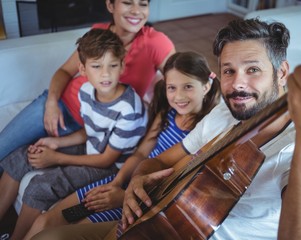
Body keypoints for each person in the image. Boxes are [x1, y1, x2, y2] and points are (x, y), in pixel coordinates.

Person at [32, 18, 301, 240]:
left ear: (282, 72)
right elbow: (160, 161)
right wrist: (138, 180)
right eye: (229, 70)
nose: (238, 83)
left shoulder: (297, 145)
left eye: (253, 70)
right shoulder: (223, 115)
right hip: (149, 223)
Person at [24, 51, 221, 239]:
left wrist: (124, 196)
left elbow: (175, 187)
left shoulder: (203, 133)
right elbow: (141, 154)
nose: (179, 96)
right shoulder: (167, 114)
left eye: (188, 86)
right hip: (124, 180)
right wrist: (116, 183)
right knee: (50, 218)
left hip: (142, 200)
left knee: (76, 230)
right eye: (172, 87)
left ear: (206, 86)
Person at [0, 28, 148, 240]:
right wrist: (56, 142)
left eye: (113, 66)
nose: (105, 74)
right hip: (92, 149)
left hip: (110, 168)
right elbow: (89, 131)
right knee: (23, 156)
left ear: (122, 66)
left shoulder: (129, 110)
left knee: (40, 187)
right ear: (83, 69)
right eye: (96, 66)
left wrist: (56, 157)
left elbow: (106, 159)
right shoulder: (86, 92)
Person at [0, 0, 175, 166]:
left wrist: (152, 122)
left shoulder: (156, 43)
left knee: (20, 159)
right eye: (127, 2)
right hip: (61, 104)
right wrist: (51, 103)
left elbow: (180, 80)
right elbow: (65, 71)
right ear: (110, 5)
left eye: (143, 4)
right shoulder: (97, 33)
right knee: (3, 149)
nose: (136, 10)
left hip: (92, 127)